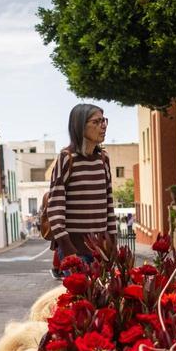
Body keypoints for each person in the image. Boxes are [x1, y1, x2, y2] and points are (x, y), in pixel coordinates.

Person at [45, 104, 116, 272]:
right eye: (96, 122)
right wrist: (69, 250)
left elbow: (109, 205)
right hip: (75, 251)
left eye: (104, 120)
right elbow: (55, 209)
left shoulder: (103, 159)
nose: (103, 125)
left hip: (101, 250)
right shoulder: (67, 158)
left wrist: (112, 243)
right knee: (79, 298)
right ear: (80, 126)